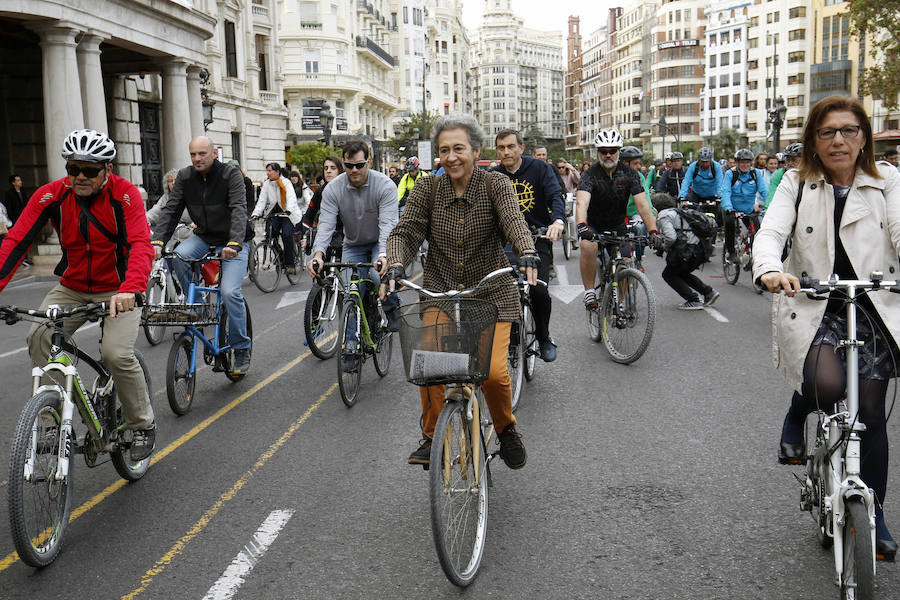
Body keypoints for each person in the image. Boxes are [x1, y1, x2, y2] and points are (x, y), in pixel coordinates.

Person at [753, 95, 900, 562]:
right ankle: (799, 410)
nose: (839, 140)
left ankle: (873, 515)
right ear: (813, 141)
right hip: (815, 301)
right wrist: (769, 269)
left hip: (873, 302)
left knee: (871, 417)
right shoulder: (796, 183)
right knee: (825, 384)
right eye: (827, 132)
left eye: (849, 131)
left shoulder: (888, 180)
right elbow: (772, 232)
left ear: (863, 138)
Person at [381, 112, 537, 469]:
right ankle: (433, 435)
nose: (451, 157)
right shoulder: (427, 189)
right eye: (444, 150)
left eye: (459, 149)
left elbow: (514, 220)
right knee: (430, 367)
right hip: (441, 291)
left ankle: (506, 429)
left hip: (491, 293)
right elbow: (406, 232)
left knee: (494, 374)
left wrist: (526, 249)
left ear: (476, 150)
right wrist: (396, 262)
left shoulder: (495, 185)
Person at [0, 129, 156, 460]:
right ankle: (54, 416)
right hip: (71, 286)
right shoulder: (51, 195)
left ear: (107, 170)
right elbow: (16, 241)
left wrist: (131, 288)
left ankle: (142, 423)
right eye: (73, 169)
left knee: (115, 354)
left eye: (90, 170)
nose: (80, 177)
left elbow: (140, 244)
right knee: (38, 339)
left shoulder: (125, 196)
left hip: (118, 288)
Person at [152, 136, 253, 374]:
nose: (197, 159)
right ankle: (194, 305)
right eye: (193, 155)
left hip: (233, 241)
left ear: (214, 154)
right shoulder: (186, 177)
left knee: (229, 293)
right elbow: (171, 210)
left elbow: (239, 209)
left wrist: (235, 242)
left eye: (202, 154)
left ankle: (241, 349)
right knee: (179, 256)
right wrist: (156, 242)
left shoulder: (230, 175)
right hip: (205, 237)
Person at [306, 140, 399, 372]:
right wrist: (318, 254)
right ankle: (350, 347)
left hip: (379, 241)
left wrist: (384, 255)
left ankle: (390, 309)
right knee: (351, 294)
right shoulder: (333, 188)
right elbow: (326, 225)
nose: (354, 170)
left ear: (368, 161)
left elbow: (388, 225)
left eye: (359, 165)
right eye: (348, 165)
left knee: (379, 279)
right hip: (353, 244)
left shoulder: (385, 185)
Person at [493, 128, 564, 361]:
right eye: (501, 147)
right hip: (505, 242)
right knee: (500, 291)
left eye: (511, 146)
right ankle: (510, 337)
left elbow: (555, 195)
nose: (506, 151)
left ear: (521, 148)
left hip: (538, 238)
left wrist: (557, 221)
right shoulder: (493, 176)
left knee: (539, 291)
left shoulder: (540, 168)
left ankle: (544, 336)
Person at [576, 128, 658, 309]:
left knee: (625, 262)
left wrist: (653, 231)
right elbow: (582, 202)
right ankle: (589, 292)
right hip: (593, 224)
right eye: (603, 151)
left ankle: (620, 302)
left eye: (612, 151)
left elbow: (643, 205)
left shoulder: (630, 174)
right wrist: (582, 225)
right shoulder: (589, 174)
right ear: (598, 153)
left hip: (617, 224)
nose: (608, 155)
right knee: (588, 246)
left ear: (618, 152)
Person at [653, 194, 719, 310]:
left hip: (688, 250)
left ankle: (693, 299)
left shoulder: (664, 215)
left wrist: (664, 247)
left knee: (668, 274)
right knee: (681, 272)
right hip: (700, 249)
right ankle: (708, 292)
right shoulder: (678, 211)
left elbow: (671, 237)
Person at [252, 162, 302, 274]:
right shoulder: (266, 185)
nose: (268, 173)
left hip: (288, 214)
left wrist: (288, 210)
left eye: (270, 171)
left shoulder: (286, 183)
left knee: (286, 235)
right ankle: (281, 257)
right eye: (267, 171)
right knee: (269, 236)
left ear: (277, 172)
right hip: (275, 213)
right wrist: (256, 213)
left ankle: (290, 264)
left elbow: (291, 198)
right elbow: (262, 201)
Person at [719, 148, 767, 263]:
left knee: (757, 230)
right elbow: (726, 192)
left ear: (751, 163)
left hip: (748, 209)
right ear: (737, 162)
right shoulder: (731, 174)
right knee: (730, 224)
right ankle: (731, 252)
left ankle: (752, 252)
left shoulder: (755, 174)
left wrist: (771, 204)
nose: (745, 165)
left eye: (747, 162)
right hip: (732, 208)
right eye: (742, 162)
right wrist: (729, 208)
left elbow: (764, 191)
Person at [619, 146, 655, 270]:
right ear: (624, 163)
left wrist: (651, 215)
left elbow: (646, 198)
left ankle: (638, 259)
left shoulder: (639, 176)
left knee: (640, 227)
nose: (639, 166)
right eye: (635, 163)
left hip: (635, 211)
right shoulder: (614, 175)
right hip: (618, 213)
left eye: (640, 163)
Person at [300, 156, 344, 256]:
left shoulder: (347, 189)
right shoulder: (320, 192)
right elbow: (309, 215)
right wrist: (306, 233)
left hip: (346, 237)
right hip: (326, 236)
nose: (328, 171)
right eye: (326, 168)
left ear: (340, 170)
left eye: (333, 168)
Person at [146, 168, 192, 250]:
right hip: (171, 242)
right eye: (171, 181)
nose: (174, 183)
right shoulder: (165, 198)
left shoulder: (193, 196)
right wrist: (144, 220)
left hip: (189, 237)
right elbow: (154, 213)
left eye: (176, 180)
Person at [765, 143, 802, 207]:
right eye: (787, 160)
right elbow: (772, 195)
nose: (790, 163)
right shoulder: (779, 174)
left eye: (793, 160)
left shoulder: (813, 175)